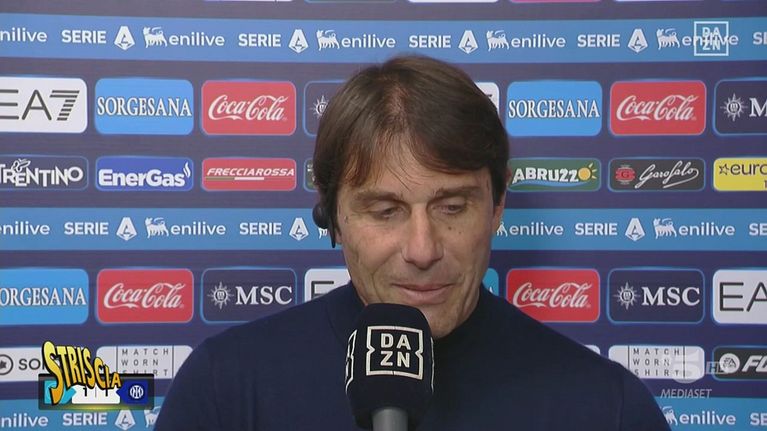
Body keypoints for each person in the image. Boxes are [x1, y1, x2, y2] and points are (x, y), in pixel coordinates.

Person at [156, 55, 670, 430]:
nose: (422, 250)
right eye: (385, 211)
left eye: (452, 207)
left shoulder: (607, 407)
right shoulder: (224, 390)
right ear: (332, 218)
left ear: (497, 207)